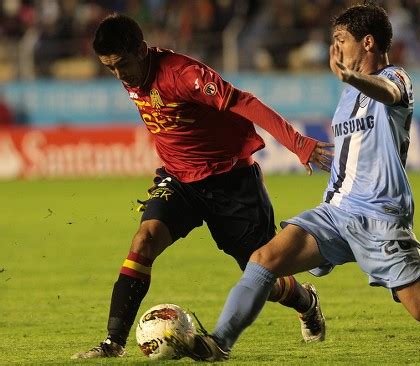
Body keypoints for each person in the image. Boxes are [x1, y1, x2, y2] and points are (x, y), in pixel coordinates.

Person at [169, 3, 420, 361]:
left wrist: (350, 77)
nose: (335, 49)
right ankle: (219, 343)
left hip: (380, 218)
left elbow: (388, 93)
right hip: (336, 213)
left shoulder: (397, 78)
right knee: (263, 259)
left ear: (368, 43)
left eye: (341, 40)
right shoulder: (347, 94)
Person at [72, 13, 334, 359]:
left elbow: (246, 102)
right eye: (110, 69)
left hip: (232, 182)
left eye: (121, 64)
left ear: (140, 49)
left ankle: (306, 301)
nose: (119, 75)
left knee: (263, 274)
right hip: (180, 180)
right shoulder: (131, 74)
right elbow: (167, 123)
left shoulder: (184, 75)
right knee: (144, 239)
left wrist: (298, 143)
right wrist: (170, 161)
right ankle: (112, 343)